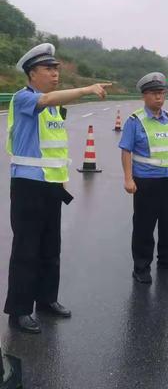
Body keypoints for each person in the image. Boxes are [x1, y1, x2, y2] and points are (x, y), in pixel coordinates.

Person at [4, 43, 111, 334]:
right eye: (48, 69)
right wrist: (87, 89)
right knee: (26, 249)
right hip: (28, 185)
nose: (54, 74)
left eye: (56, 69)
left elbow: (54, 147)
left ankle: (47, 300)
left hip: (51, 185)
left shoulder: (54, 109)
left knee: (51, 248)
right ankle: (20, 310)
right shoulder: (23, 99)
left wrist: (62, 180)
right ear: (31, 73)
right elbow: (48, 98)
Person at [119, 72, 168, 284]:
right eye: (154, 93)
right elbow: (126, 151)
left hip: (167, 179)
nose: (159, 97)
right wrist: (128, 179)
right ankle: (141, 267)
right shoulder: (135, 121)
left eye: (161, 93)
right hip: (145, 181)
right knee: (144, 225)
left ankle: (167, 259)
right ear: (144, 96)